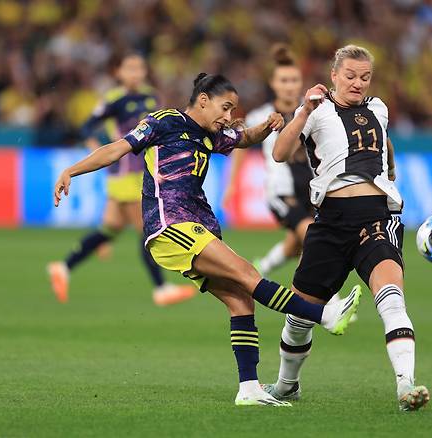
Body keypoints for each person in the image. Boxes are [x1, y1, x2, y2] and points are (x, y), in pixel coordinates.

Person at [53, 73, 363, 406]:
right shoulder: (165, 121)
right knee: (247, 273)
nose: (228, 116)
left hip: (197, 225)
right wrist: (72, 169)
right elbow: (117, 148)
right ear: (203, 99)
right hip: (171, 225)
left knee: (240, 299)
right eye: (225, 107)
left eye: (232, 110)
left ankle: (249, 390)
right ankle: (325, 315)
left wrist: (269, 128)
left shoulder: (210, 135)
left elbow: (243, 138)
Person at [264, 45, 430, 411]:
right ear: (334, 75)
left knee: (391, 297)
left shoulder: (378, 108)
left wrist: (390, 167)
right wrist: (304, 109)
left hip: (377, 219)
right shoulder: (316, 110)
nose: (358, 83)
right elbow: (279, 152)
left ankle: (407, 386)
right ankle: (286, 385)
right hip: (330, 223)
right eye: (351, 76)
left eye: (365, 77)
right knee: (300, 314)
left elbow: (383, 141)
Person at [47, 52, 195, 306]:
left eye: (139, 68)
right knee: (148, 231)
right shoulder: (114, 99)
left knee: (110, 228)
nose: (135, 73)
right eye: (130, 68)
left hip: (145, 170)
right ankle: (161, 288)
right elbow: (87, 126)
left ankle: (63, 267)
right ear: (119, 72)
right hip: (125, 173)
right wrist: (94, 145)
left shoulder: (153, 96)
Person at [224, 44, 314, 276]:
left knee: (296, 244)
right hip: (282, 191)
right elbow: (241, 147)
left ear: (300, 84)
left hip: (314, 189)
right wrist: (232, 184)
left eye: (293, 80)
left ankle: (260, 270)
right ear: (273, 84)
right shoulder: (260, 115)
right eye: (283, 80)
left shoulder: (313, 113)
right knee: (314, 237)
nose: (289, 86)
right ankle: (330, 303)